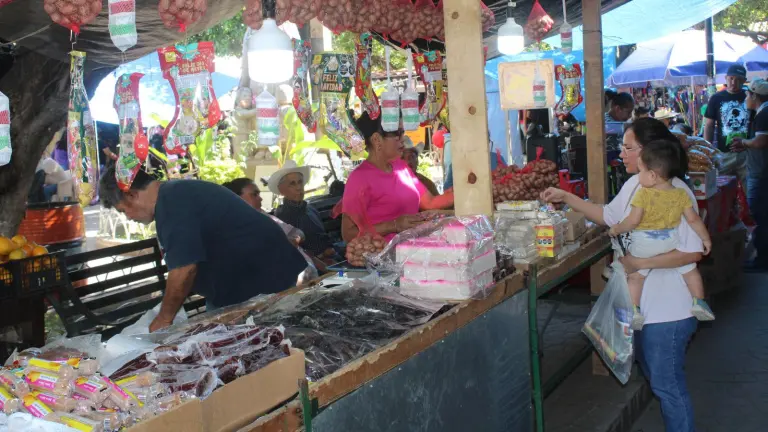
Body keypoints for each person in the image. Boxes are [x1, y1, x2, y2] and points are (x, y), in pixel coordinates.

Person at [540, 117, 702, 430]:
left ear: (650, 152)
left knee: (667, 385)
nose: (622, 153)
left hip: (669, 311)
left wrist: (638, 264)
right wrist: (567, 197)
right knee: (655, 375)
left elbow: (693, 253)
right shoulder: (636, 183)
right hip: (641, 307)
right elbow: (607, 215)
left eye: (628, 148)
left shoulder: (676, 192)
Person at [99, 167, 307, 332]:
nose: (128, 218)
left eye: (123, 211)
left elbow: (184, 270)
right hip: (252, 281)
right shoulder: (175, 193)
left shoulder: (172, 203)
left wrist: (163, 320)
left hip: (260, 286)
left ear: (132, 195)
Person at [608, 140, 715, 329]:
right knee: (690, 271)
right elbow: (693, 220)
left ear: (652, 175)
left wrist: (616, 229)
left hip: (645, 245)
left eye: (641, 171)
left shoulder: (643, 194)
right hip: (669, 241)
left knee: (636, 277)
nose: (638, 176)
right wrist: (705, 239)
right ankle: (699, 302)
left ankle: (634, 309)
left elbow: (633, 221)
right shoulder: (681, 193)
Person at [341, 112, 454, 242]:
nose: (402, 137)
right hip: (382, 257)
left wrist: (465, 192)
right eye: (397, 133)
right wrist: (393, 225)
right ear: (377, 139)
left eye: (402, 132)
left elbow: (430, 202)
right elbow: (348, 233)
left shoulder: (401, 167)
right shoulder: (359, 178)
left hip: (411, 252)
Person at [222, 178, 321, 283]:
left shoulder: (264, 217)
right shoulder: (234, 232)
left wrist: (294, 240)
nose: (260, 198)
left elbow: (298, 232)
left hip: (308, 275)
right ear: (236, 199)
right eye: (254, 194)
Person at [270, 161, 339, 262]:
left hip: (333, 258)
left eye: (300, 182)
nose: (298, 188)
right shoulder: (282, 217)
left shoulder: (310, 209)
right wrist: (321, 256)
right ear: (281, 190)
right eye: (292, 184)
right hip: (315, 266)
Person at [731, 79, 768, 270]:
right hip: (760, 171)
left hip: (761, 174)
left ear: (755, 96)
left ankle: (762, 260)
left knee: (759, 217)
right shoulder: (762, 112)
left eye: (748, 94)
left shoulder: (764, 114)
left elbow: (761, 141)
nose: (745, 98)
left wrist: (744, 142)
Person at [704, 64, 750, 183]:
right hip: (724, 154)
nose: (734, 82)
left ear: (744, 81)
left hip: (747, 153)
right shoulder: (716, 98)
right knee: (722, 190)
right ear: (726, 78)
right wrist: (707, 149)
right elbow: (709, 125)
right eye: (731, 78)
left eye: (739, 79)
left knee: (750, 191)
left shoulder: (750, 96)